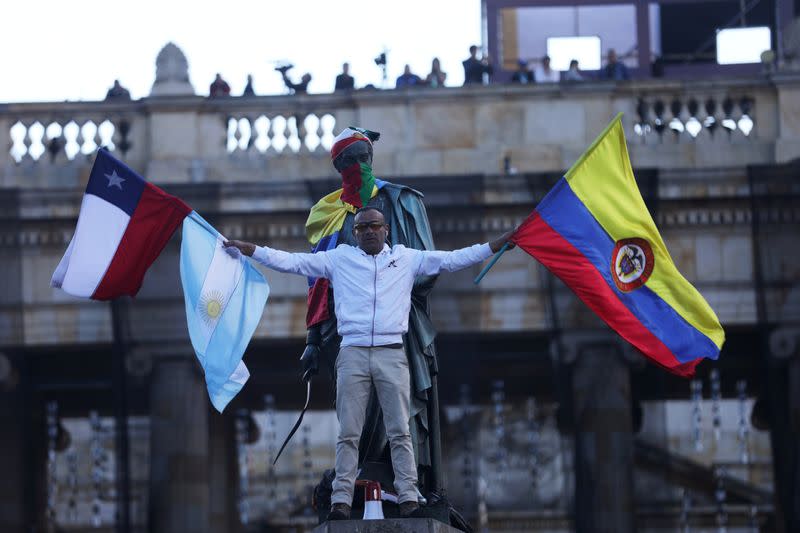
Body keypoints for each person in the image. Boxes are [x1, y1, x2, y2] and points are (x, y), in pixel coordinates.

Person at [225, 207, 514, 521]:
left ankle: (408, 499)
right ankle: (340, 502)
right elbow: (292, 262)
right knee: (349, 433)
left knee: (400, 431)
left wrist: (495, 245)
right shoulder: (339, 259)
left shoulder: (407, 259)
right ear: (356, 233)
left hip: (392, 353)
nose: (369, 231)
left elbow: (453, 259)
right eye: (363, 227)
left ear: (386, 229)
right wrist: (251, 250)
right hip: (352, 353)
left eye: (375, 226)